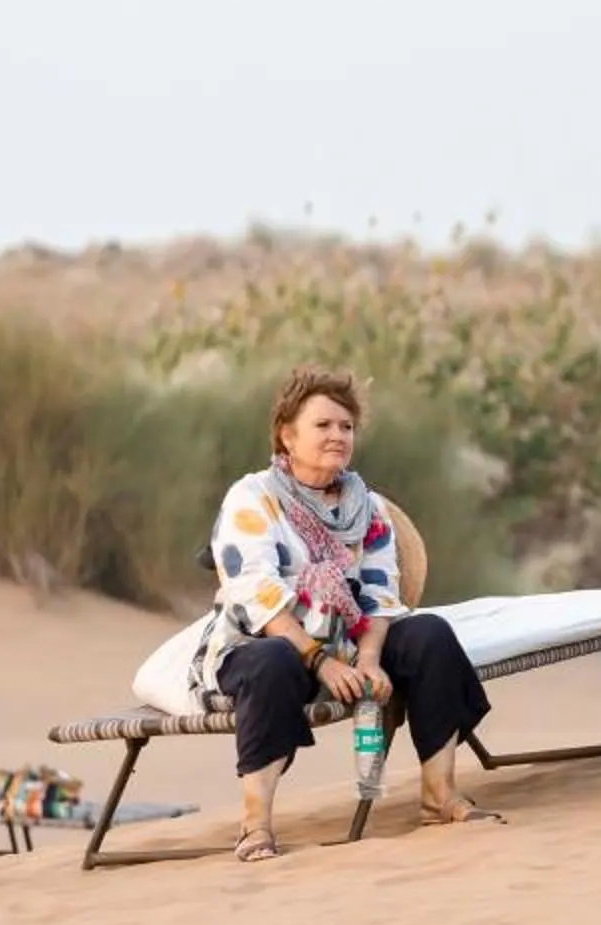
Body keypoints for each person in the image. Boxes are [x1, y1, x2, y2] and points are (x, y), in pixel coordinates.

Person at [192, 366, 498, 861]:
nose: (338, 435)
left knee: (429, 636)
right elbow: (260, 597)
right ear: (287, 435)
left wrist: (370, 659)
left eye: (346, 427)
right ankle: (256, 826)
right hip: (264, 642)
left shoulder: (367, 507)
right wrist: (321, 662)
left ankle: (440, 796)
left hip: (349, 643)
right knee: (272, 663)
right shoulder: (253, 497)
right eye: (323, 425)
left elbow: (379, 593)